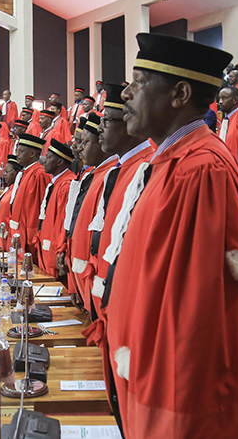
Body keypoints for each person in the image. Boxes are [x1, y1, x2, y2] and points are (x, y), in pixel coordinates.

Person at [95, 33, 238, 437]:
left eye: (138, 82)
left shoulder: (201, 169)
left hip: (176, 394)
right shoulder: (170, 160)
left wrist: (170, 405)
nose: (126, 93)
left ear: (180, 93)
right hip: (146, 373)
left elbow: (193, 311)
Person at [79, 87, 154, 318]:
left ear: (130, 125)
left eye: (108, 121)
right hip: (102, 289)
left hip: (125, 301)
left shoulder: (148, 167)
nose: (99, 128)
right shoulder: (119, 168)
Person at [64, 111, 117, 303]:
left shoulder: (110, 175)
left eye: (85, 143)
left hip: (93, 274)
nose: (77, 149)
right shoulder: (92, 174)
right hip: (81, 274)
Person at [34, 139, 76, 278]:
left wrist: (60, 249)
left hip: (55, 250)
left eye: (49, 157)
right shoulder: (56, 182)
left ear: (59, 162)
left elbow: (64, 222)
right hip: (46, 246)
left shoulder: (67, 185)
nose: (44, 161)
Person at [8, 133, 52, 260]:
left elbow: (39, 208)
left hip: (29, 235)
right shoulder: (24, 172)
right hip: (19, 231)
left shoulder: (40, 174)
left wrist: (33, 236)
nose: (17, 155)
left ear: (32, 154)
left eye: (21, 151)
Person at [0, 155, 22, 250]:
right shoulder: (8, 188)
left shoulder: (17, 191)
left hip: (7, 236)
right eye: (4, 172)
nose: (4, 174)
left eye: (7, 172)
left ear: (17, 173)